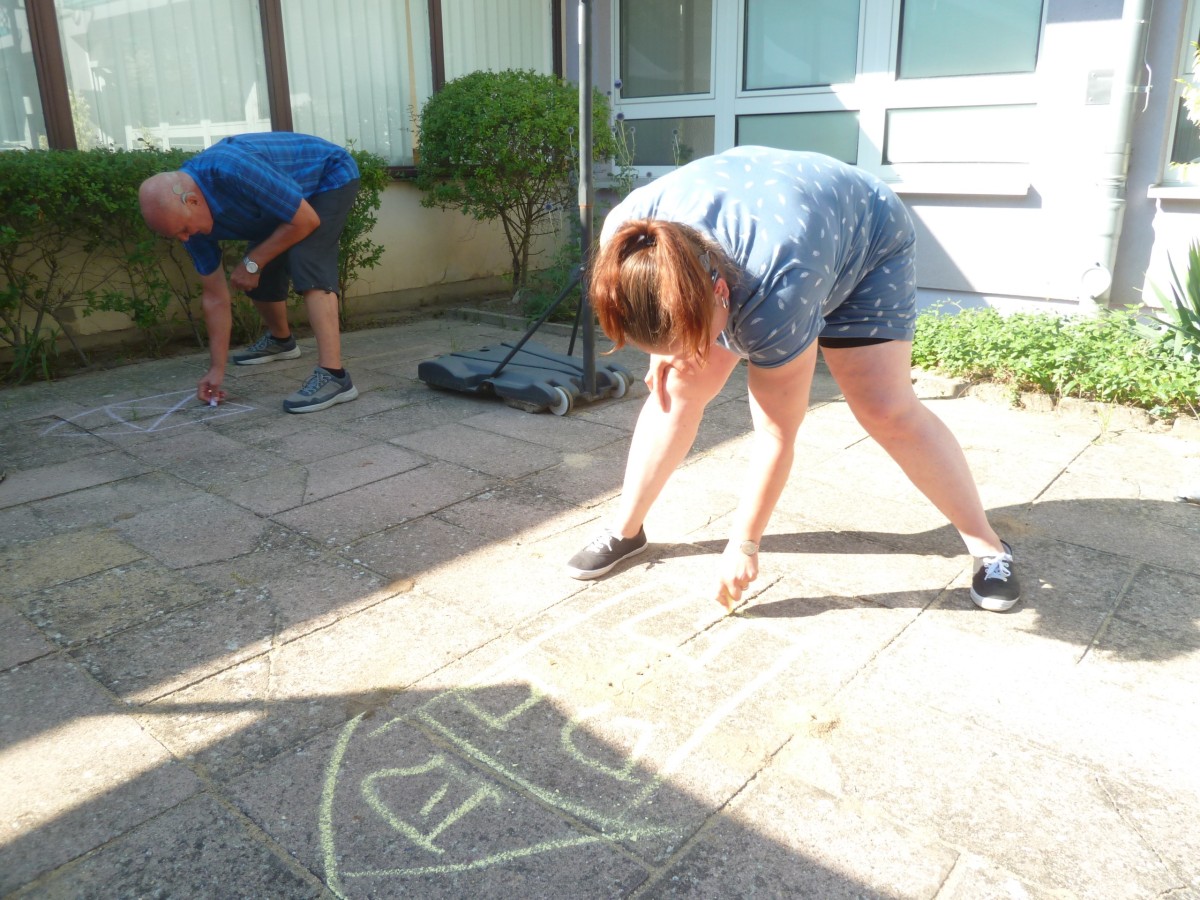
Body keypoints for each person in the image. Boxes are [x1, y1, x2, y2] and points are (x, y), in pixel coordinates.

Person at [565, 146, 1021, 613]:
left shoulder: (780, 291)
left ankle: (988, 547)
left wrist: (744, 544)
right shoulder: (628, 237)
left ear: (721, 290)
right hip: (772, 215)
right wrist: (666, 350)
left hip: (865, 234)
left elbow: (776, 433)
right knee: (677, 385)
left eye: (696, 338)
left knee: (885, 408)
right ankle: (626, 529)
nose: (690, 353)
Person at [139, 132, 360, 414]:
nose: (184, 238)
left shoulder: (233, 168)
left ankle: (335, 376)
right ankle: (282, 341)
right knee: (257, 267)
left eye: (183, 229)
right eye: (176, 235)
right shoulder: (189, 227)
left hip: (328, 176)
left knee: (307, 259)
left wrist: (253, 261)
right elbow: (215, 296)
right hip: (283, 197)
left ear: (192, 201)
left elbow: (305, 220)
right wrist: (216, 369)